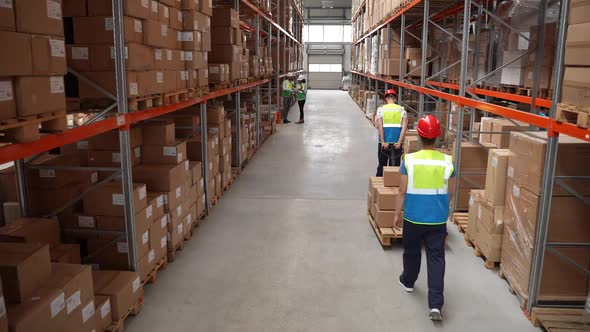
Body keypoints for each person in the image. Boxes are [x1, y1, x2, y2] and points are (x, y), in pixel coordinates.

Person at [393, 115, 456, 322]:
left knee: (411, 252)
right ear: (437, 137)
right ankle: (436, 304)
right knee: (436, 257)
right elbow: (451, 193)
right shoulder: (448, 162)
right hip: (437, 220)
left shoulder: (409, 160)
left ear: (419, 136)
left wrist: (396, 214)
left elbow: (402, 191)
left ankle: (408, 281)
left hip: (413, 217)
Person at [374, 89, 407, 176]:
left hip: (384, 142)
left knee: (382, 166)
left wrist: (383, 142)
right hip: (397, 143)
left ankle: (380, 185)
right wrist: (399, 142)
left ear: (386, 99)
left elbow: (380, 127)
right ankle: (393, 184)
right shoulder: (402, 110)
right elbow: (404, 128)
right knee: (395, 168)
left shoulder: (381, 109)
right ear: (395, 99)